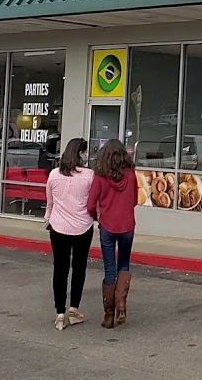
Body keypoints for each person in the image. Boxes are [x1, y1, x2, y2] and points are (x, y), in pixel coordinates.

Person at [44, 138, 95, 331]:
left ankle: (59, 313)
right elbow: (92, 203)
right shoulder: (89, 175)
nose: (87, 155)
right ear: (80, 153)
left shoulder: (54, 174)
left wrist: (47, 218)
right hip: (83, 225)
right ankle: (74, 309)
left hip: (58, 226)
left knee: (60, 268)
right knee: (79, 267)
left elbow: (50, 202)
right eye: (85, 152)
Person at [87, 139, 139, 329]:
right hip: (127, 226)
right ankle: (121, 304)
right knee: (124, 264)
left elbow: (90, 204)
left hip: (107, 226)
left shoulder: (100, 177)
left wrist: (97, 217)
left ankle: (108, 316)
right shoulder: (131, 175)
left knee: (110, 269)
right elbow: (134, 200)